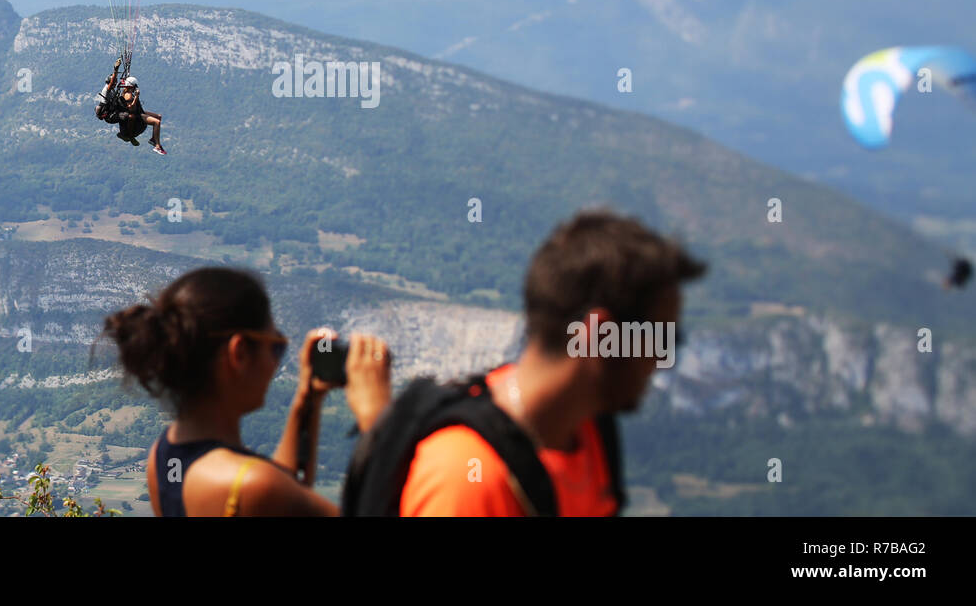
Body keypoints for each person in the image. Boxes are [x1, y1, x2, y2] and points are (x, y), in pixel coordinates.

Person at [343, 209, 706, 517]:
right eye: (661, 339)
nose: (663, 357)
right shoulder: (468, 478)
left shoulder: (589, 430)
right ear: (601, 334)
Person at [100, 267, 392, 516]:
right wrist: (378, 418)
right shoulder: (255, 487)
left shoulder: (163, 459)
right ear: (239, 353)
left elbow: (284, 490)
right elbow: (277, 491)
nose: (276, 362)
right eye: (276, 346)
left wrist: (307, 398)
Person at [95, 58, 166, 155]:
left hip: (124, 110)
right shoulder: (107, 90)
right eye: (114, 82)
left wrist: (126, 73)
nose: (115, 83)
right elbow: (131, 108)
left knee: (158, 117)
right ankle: (129, 135)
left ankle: (153, 139)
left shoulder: (121, 90)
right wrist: (116, 69)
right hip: (109, 115)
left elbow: (121, 84)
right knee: (127, 116)